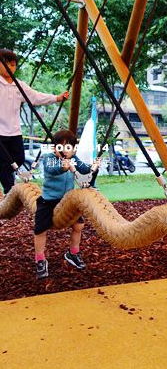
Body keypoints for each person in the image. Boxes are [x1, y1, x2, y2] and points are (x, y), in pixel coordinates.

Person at [0, 48, 69, 195]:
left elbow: (36, 97)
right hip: (0, 132)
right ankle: (9, 189)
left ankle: (9, 184)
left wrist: (56, 98)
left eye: (13, 64)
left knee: (19, 159)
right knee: (3, 162)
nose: (10, 67)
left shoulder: (19, 85)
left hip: (14, 131)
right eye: (6, 64)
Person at [34, 129, 99, 280]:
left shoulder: (74, 158)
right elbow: (52, 171)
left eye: (69, 147)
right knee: (40, 229)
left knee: (78, 226)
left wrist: (94, 167)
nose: (65, 150)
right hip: (49, 200)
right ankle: (40, 259)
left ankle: (73, 253)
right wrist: (63, 167)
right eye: (61, 147)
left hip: (68, 200)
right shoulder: (49, 158)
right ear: (54, 148)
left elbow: (85, 171)